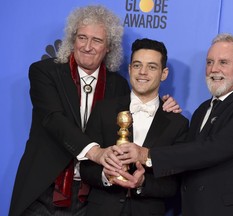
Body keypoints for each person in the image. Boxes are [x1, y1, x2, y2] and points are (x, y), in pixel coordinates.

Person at [9, 5, 181, 216]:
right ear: (73, 39)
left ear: (109, 47)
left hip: (90, 198)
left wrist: (165, 106)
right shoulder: (44, 72)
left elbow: (141, 102)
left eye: (97, 40)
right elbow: (54, 119)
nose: (87, 46)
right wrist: (96, 153)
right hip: (44, 188)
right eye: (82, 37)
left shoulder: (117, 84)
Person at [108, 33, 233, 216]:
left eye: (223, 63)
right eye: (209, 62)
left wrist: (146, 154)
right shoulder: (202, 111)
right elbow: (185, 159)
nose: (213, 69)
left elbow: (211, 149)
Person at [80, 38, 189, 216]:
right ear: (130, 69)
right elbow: (85, 167)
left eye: (152, 67)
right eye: (137, 65)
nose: (143, 72)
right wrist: (105, 176)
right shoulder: (104, 109)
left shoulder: (178, 123)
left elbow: (175, 183)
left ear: (164, 73)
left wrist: (143, 183)